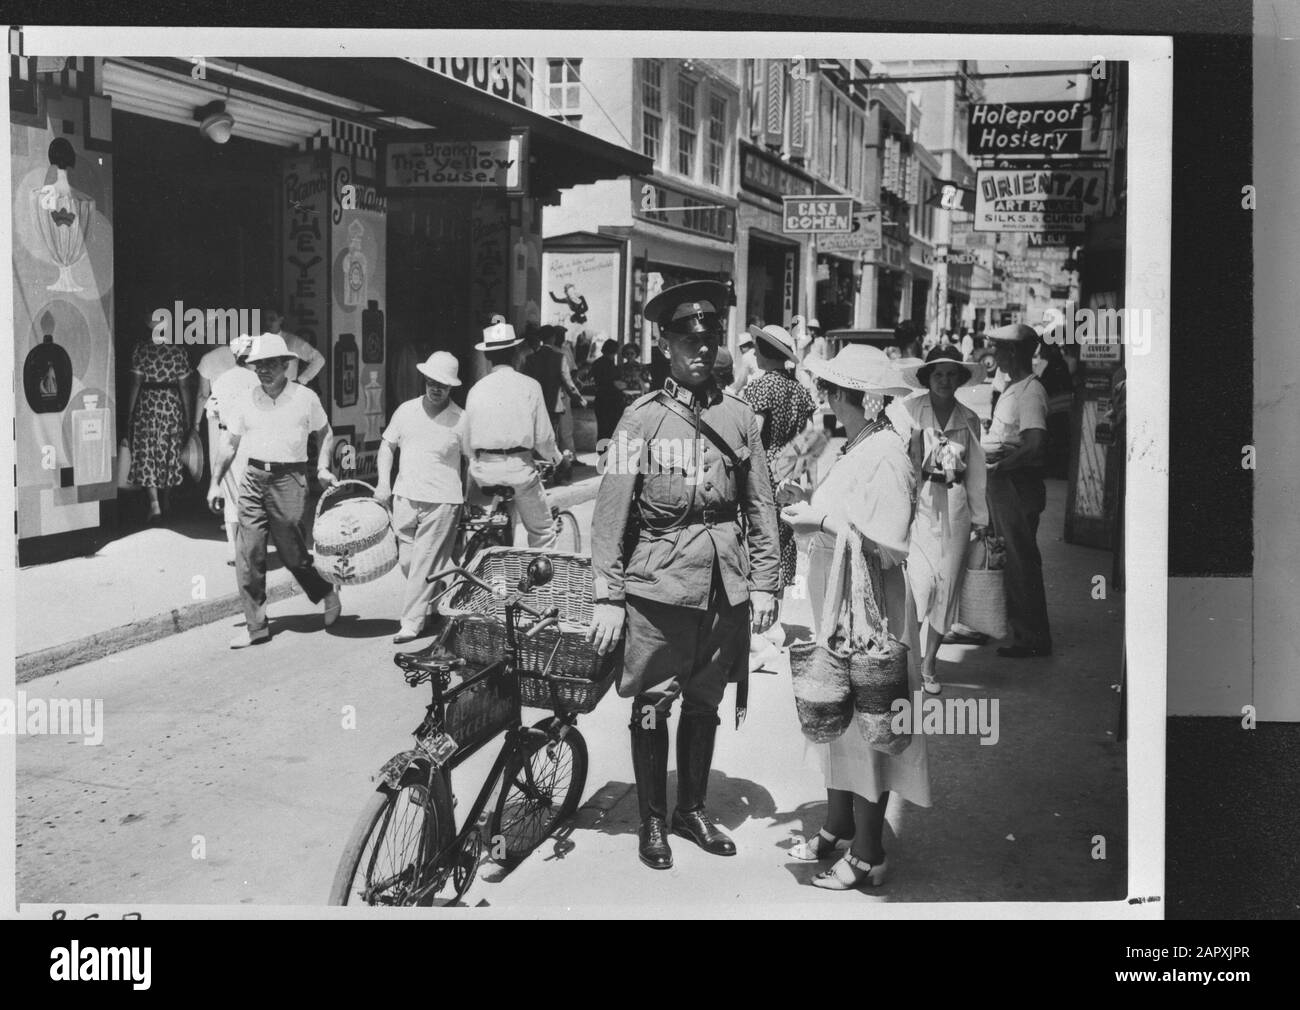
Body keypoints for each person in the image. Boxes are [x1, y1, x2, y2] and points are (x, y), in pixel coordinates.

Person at [586, 280, 781, 872]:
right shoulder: (638, 420)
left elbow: (761, 505)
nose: (701, 349)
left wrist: (766, 583)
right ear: (666, 345)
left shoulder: (740, 419)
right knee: (653, 702)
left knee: (704, 701)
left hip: (724, 584)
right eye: (688, 340)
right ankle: (651, 819)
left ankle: (690, 810)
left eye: (709, 339)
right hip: (659, 587)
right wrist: (607, 596)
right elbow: (609, 514)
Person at [778, 343, 928, 889]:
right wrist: (812, 503)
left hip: (869, 614)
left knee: (868, 724)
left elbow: (889, 544)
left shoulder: (885, 453)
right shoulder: (859, 444)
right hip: (840, 605)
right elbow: (850, 515)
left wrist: (818, 520)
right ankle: (839, 824)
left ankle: (868, 851)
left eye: (834, 391)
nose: (827, 399)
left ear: (861, 399)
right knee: (835, 715)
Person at [208, 333, 341, 648]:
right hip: (253, 477)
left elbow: (325, 432)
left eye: (270, 364)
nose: (263, 370)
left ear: (285, 365)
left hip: (289, 478)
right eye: (258, 365)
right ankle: (256, 627)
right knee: (248, 553)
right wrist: (215, 483)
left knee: (292, 553)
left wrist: (323, 467)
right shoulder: (246, 399)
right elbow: (229, 443)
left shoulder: (305, 397)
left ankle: (326, 592)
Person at [898, 349, 990, 694]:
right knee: (917, 586)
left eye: (952, 374)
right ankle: (906, 661)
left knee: (947, 588)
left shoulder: (969, 418)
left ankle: (929, 665)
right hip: (918, 508)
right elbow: (900, 460)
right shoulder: (909, 410)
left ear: (960, 379)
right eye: (938, 374)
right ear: (927, 377)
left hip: (955, 508)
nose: (945, 381)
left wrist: (980, 519)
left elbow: (976, 472)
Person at [375, 351, 465, 645]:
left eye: (443, 385)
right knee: (407, 562)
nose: (436, 389)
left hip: (442, 501)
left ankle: (411, 623)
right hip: (405, 496)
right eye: (431, 382)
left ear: (451, 387)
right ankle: (440, 596)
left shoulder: (461, 419)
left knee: (423, 562)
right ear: (424, 380)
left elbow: (472, 460)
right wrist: (383, 483)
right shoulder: (406, 411)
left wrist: (473, 497)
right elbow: (387, 446)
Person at [460, 318, 563, 548]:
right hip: (519, 470)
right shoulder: (530, 386)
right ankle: (542, 569)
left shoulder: (476, 390)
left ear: (487, 355)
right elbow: (544, 440)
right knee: (543, 531)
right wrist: (558, 459)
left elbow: (467, 444)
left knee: (481, 521)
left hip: (484, 472)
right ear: (516, 352)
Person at [982, 323, 1052, 658]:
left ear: (1012, 352)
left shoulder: (1031, 392)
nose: (994, 355)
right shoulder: (1014, 387)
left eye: (998, 349)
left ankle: (1031, 638)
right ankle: (1018, 628)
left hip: (1016, 483)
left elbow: (1035, 444)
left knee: (1020, 559)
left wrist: (1001, 466)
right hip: (1005, 482)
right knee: (1007, 555)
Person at [743, 324, 817, 596]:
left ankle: (759, 604)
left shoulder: (761, 387)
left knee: (759, 540)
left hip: (763, 475)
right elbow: (810, 441)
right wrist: (808, 482)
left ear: (763, 352)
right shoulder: (799, 390)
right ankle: (777, 606)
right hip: (790, 475)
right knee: (784, 541)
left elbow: (753, 435)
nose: (754, 353)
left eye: (756, 348)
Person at [126, 322, 194, 523]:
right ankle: (166, 500)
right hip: (171, 406)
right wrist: (187, 415)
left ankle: (154, 504)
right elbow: (184, 387)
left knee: (148, 453)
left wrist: (130, 412)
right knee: (169, 451)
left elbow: (135, 383)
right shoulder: (178, 351)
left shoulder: (142, 350)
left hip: (147, 405)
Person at [205, 335, 260, 564]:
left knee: (231, 498)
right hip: (252, 441)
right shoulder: (257, 380)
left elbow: (211, 411)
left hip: (227, 440)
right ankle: (250, 550)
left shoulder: (222, 379)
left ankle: (233, 551)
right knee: (253, 497)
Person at [526, 325, 587, 482]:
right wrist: (579, 398)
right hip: (554, 406)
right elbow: (568, 382)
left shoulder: (531, 358)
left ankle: (538, 472)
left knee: (536, 437)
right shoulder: (559, 357)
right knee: (551, 439)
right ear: (552, 338)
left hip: (535, 404)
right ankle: (555, 472)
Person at [262, 307, 325, 386]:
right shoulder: (255, 341)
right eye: (264, 320)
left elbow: (319, 359)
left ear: (280, 320)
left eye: (272, 319)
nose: (267, 323)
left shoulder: (293, 341)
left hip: (286, 390)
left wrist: (301, 380)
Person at [589, 339, 625, 444]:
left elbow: (592, 378)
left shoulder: (596, 363)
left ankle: (602, 450)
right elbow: (617, 384)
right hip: (613, 400)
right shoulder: (612, 366)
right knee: (612, 428)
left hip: (600, 398)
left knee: (602, 428)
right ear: (616, 351)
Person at [729, 330, 759, 394]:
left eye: (742, 347)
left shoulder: (747, 356)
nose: (741, 350)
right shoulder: (756, 353)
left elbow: (743, 380)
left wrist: (734, 390)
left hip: (756, 387)